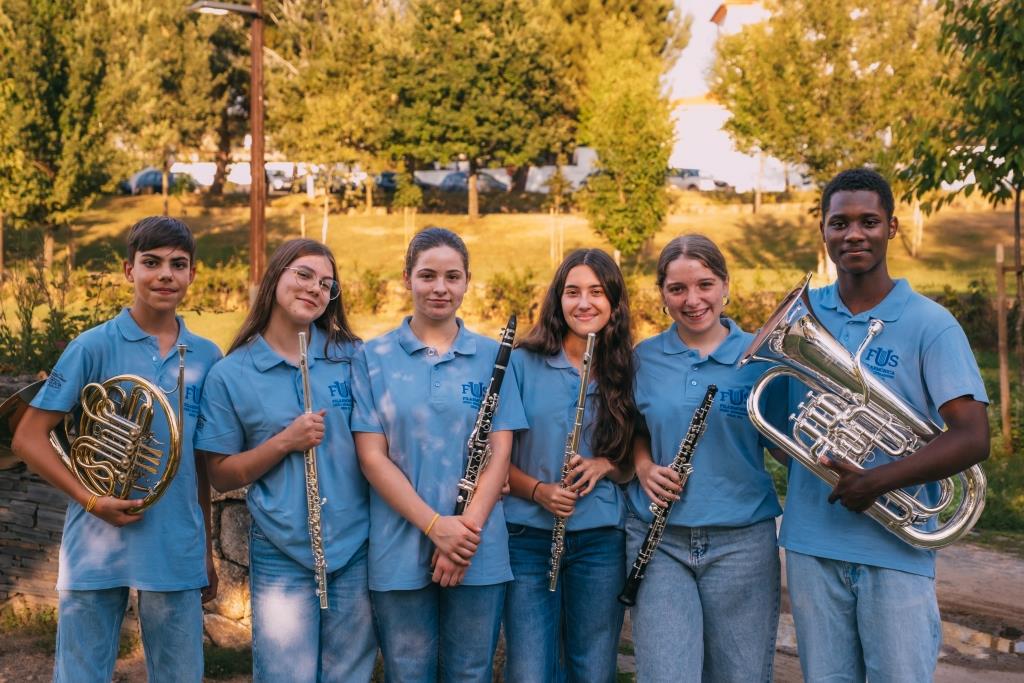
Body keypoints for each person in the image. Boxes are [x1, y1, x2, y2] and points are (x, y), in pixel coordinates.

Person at [781, 168, 990, 682]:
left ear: (891, 227)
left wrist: (876, 482)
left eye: (869, 221)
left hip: (897, 551)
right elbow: (785, 430)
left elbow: (973, 436)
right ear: (823, 230)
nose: (854, 234)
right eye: (840, 223)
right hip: (811, 548)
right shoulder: (800, 316)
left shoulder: (931, 323)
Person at [11, 216, 221, 683]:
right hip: (95, 539)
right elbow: (27, 437)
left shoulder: (208, 356)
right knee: (80, 675)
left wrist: (205, 549)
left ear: (192, 274)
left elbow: (199, 465)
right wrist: (91, 500)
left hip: (175, 542)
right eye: (152, 262)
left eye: (178, 264)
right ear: (129, 270)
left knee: (181, 676)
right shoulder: (92, 346)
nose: (165, 274)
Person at [350, 227, 527, 683]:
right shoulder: (372, 356)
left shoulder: (494, 356)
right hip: (398, 545)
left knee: (470, 673)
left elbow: (499, 454)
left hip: (477, 546)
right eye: (427, 275)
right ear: (407, 278)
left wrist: (461, 537)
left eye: (452, 276)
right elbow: (372, 459)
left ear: (467, 281)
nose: (440, 288)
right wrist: (436, 527)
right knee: (408, 673)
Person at [194, 238, 376, 683]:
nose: (315, 288)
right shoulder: (231, 374)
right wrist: (284, 442)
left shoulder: (352, 357)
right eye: (304, 275)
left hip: (355, 545)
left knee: (349, 676)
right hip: (282, 548)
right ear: (275, 276)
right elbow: (219, 475)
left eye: (326, 284)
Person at [627, 234, 785, 682]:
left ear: (725, 285)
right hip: (659, 541)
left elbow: (784, 445)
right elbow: (635, 430)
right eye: (677, 289)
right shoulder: (644, 358)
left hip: (742, 542)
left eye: (705, 285)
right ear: (662, 294)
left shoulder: (761, 358)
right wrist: (643, 467)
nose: (692, 300)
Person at [502, 248, 636, 683]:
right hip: (527, 537)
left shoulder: (626, 368)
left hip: (600, 540)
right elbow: (493, 461)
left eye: (596, 292)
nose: (584, 303)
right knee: (530, 671)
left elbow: (632, 464)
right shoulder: (522, 363)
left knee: (592, 670)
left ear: (613, 301)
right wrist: (539, 491)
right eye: (572, 291)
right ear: (557, 299)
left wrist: (605, 466)